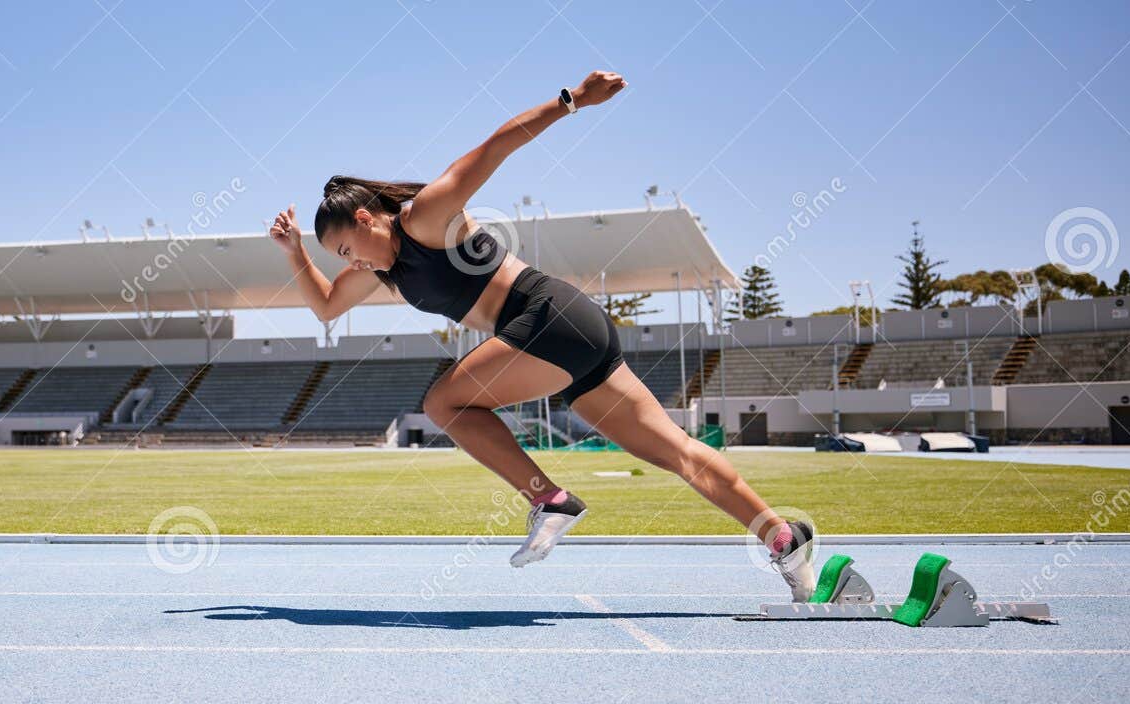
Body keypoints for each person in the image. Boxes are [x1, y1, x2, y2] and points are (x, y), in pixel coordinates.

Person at [268, 71, 815, 598]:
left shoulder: (424, 218)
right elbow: (325, 306)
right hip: (569, 335)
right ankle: (784, 538)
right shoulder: (385, 270)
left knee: (445, 403)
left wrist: (573, 98)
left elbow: (495, 147)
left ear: (366, 219)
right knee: (679, 453)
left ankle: (550, 500)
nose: (350, 263)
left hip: (547, 315)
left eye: (345, 250)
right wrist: (295, 254)